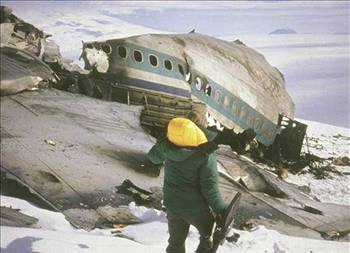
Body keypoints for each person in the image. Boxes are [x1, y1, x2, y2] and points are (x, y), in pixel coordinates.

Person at [144, 116, 226, 253]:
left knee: (175, 243)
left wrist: (164, 141)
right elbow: (210, 189)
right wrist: (222, 211)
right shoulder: (206, 155)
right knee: (207, 237)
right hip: (196, 209)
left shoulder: (167, 147)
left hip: (172, 205)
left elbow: (153, 157)